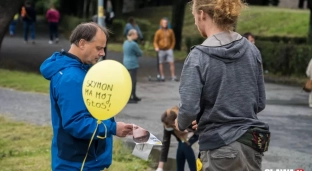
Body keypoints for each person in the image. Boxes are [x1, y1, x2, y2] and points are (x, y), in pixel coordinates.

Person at [176, 1, 270, 171]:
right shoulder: (252, 50)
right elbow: (260, 102)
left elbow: (189, 109)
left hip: (219, 147)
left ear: (202, 14)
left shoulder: (199, 56)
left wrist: (180, 123)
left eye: (194, 17)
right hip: (252, 144)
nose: (196, 22)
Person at [40, 22, 133, 171]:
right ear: (82, 43)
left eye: (103, 48)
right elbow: (75, 122)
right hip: (78, 163)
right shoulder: (71, 78)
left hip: (86, 160)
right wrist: (113, 128)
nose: (102, 53)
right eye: (99, 48)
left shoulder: (83, 70)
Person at [156, 106, 198, 171]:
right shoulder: (167, 122)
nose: (167, 128)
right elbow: (165, 143)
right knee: (181, 148)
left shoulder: (184, 117)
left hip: (194, 133)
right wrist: (160, 167)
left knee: (184, 145)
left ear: (174, 123)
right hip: (182, 139)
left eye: (169, 127)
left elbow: (198, 127)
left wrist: (190, 134)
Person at [123, 29, 143, 103]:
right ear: (132, 35)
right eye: (136, 34)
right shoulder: (133, 44)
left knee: (128, 80)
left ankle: (133, 95)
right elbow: (140, 53)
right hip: (133, 63)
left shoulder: (125, 43)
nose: (137, 36)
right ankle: (130, 97)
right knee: (133, 81)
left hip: (126, 62)